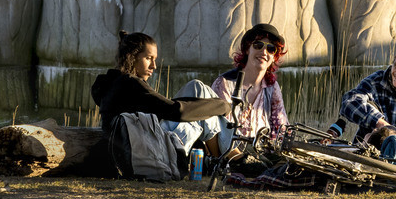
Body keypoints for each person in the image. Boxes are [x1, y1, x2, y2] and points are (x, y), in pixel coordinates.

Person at [90, 31, 232, 155]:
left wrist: (213, 105)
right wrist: (222, 106)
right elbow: (176, 111)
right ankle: (229, 158)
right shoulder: (129, 83)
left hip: (142, 142)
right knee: (209, 112)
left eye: (155, 59)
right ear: (132, 57)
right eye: (148, 58)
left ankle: (224, 157)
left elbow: (165, 109)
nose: (154, 66)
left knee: (198, 88)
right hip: (143, 150)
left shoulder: (115, 82)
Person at [212, 23, 289, 140]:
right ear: (248, 48)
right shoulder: (224, 83)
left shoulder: (272, 88)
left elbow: (281, 132)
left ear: (274, 57)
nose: (264, 52)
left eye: (271, 49)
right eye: (258, 45)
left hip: (260, 155)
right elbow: (218, 132)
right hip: (230, 154)